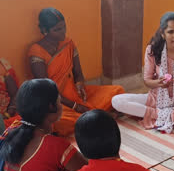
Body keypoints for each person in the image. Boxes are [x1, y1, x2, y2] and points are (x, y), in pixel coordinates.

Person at [28, 7, 124, 137]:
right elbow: (47, 90)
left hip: (74, 93)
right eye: (57, 29)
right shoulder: (36, 51)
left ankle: (90, 116)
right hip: (55, 102)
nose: (63, 33)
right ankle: (95, 116)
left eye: (64, 27)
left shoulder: (68, 43)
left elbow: (78, 72)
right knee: (57, 122)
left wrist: (80, 85)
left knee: (117, 91)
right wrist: (74, 106)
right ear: (44, 31)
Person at [112, 12, 174, 133]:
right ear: (163, 34)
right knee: (117, 101)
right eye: (170, 32)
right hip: (156, 98)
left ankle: (163, 114)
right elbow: (147, 81)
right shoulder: (152, 49)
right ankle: (169, 115)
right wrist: (159, 83)